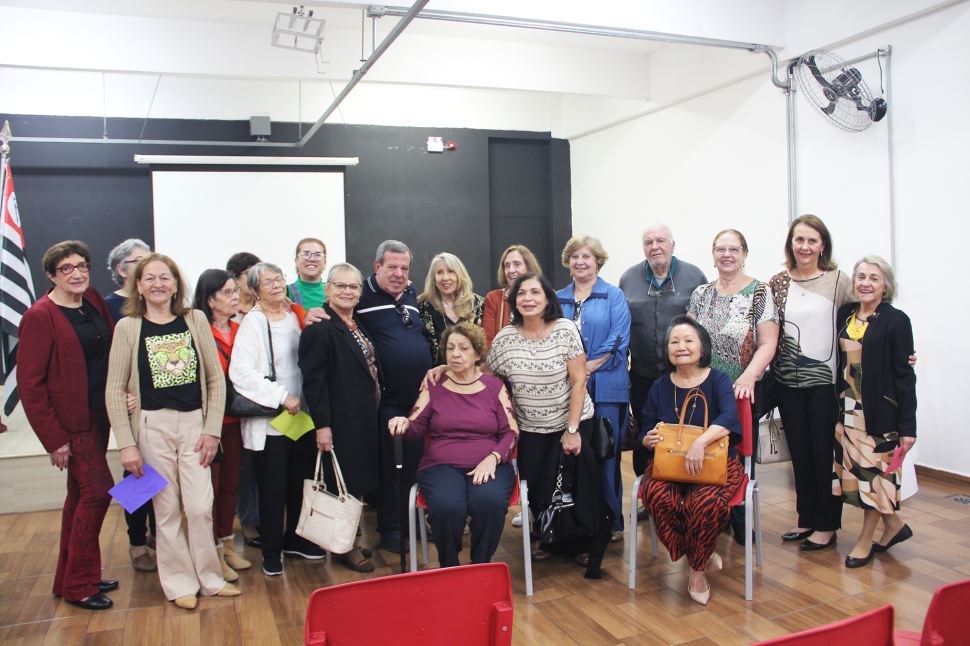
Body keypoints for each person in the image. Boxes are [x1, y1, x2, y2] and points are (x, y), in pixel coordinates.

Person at [105, 252, 239, 610]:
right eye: (149, 278)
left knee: (199, 507)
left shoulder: (194, 319)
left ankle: (210, 578)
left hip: (195, 424)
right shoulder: (128, 327)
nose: (158, 284)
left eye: (165, 277)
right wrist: (126, 444)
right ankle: (179, 582)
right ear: (138, 285)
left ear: (177, 284)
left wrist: (212, 431)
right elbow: (114, 389)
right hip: (152, 426)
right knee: (164, 511)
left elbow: (215, 379)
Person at [486, 273, 610, 578]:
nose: (528, 298)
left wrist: (571, 430)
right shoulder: (505, 338)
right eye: (521, 294)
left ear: (547, 298)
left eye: (535, 292)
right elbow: (486, 375)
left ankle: (583, 543)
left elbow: (579, 379)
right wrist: (445, 368)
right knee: (538, 486)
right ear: (514, 301)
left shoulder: (565, 330)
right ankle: (547, 536)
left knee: (579, 486)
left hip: (574, 421)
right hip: (530, 427)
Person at [18, 241, 116, 610]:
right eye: (66, 269)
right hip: (71, 424)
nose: (76, 273)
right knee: (98, 491)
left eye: (81, 265)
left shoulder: (90, 299)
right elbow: (31, 386)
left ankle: (73, 574)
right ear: (51, 275)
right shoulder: (40, 316)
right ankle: (79, 585)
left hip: (98, 415)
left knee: (78, 496)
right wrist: (54, 439)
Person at [389, 322, 517, 568]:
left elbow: (511, 432)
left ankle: (481, 565)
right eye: (450, 348)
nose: (455, 354)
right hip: (441, 464)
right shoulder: (433, 385)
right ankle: (449, 566)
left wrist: (492, 458)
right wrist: (403, 422)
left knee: (488, 502)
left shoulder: (494, 387)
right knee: (447, 506)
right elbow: (415, 429)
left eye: (463, 348)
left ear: (477, 354)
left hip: (489, 462)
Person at [639, 315, 743, 606]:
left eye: (688, 340)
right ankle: (701, 553)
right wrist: (649, 439)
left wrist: (700, 442)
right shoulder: (660, 385)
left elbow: (729, 418)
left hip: (715, 463)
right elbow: (645, 429)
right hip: (670, 465)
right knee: (657, 497)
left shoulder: (718, 378)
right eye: (674, 341)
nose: (681, 346)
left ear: (702, 346)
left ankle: (696, 572)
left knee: (704, 503)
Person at [688, 229, 778, 543]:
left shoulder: (760, 292)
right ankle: (710, 515)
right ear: (713, 254)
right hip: (704, 388)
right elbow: (690, 338)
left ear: (744, 253)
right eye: (721, 249)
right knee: (705, 453)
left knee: (738, 457)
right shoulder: (701, 294)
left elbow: (768, 343)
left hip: (742, 390)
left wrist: (748, 376)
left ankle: (740, 521)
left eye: (734, 249)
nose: (727, 255)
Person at [769, 215, 852, 551]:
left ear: (823, 245)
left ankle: (827, 525)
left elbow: (865, 321)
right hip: (787, 382)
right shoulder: (777, 282)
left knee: (823, 454)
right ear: (791, 243)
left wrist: (898, 352)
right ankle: (806, 518)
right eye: (799, 240)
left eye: (812, 241)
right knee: (800, 453)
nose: (804, 247)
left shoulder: (838, 281)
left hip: (826, 384)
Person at [229, 262, 316, 576]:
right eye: (268, 281)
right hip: (272, 420)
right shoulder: (253, 322)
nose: (277, 284)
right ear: (254, 290)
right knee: (272, 488)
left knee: (298, 483)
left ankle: (295, 539)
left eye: (279, 278)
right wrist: (281, 396)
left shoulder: (296, 315)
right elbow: (241, 373)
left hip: (301, 417)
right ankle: (271, 551)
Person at [834, 256, 917, 568]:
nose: (865, 283)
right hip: (846, 409)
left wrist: (908, 427)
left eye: (874, 278)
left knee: (875, 478)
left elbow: (904, 375)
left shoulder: (896, 321)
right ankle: (893, 526)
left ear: (886, 286)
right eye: (861, 277)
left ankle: (865, 539)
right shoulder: (846, 314)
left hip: (879, 414)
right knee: (861, 477)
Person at [299, 263, 381, 573]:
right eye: (341, 286)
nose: (348, 291)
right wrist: (323, 425)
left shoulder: (355, 323)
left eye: (354, 287)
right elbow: (314, 382)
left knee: (355, 483)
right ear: (327, 289)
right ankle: (342, 546)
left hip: (363, 419)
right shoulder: (320, 329)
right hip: (339, 422)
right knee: (340, 485)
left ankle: (350, 538)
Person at [355, 240, 434, 553]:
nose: (399, 274)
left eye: (405, 268)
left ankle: (413, 524)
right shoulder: (361, 294)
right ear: (377, 267)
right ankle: (390, 530)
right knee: (392, 469)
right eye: (392, 267)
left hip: (419, 400)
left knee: (416, 467)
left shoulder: (412, 295)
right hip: (387, 402)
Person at [556, 235, 631, 539]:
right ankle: (576, 522)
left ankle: (610, 520)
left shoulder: (613, 296)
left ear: (597, 260)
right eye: (574, 256)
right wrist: (573, 374)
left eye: (586, 256)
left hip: (607, 390)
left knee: (605, 456)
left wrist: (585, 368)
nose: (580, 262)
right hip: (566, 392)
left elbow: (618, 339)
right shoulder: (557, 298)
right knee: (572, 458)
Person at [619, 224, 706, 482]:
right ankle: (648, 491)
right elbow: (622, 328)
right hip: (643, 374)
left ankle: (685, 488)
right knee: (646, 434)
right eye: (648, 242)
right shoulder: (628, 278)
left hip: (684, 375)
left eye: (660, 241)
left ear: (672, 245)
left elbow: (702, 327)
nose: (654, 246)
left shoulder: (694, 276)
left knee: (682, 431)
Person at [192, 269, 252, 582]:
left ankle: (227, 543)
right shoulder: (197, 330)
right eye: (228, 293)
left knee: (230, 486)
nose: (234, 298)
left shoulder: (241, 329)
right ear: (210, 299)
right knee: (209, 490)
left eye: (235, 292)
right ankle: (210, 551)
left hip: (235, 420)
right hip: (207, 424)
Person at [104, 237, 158, 572]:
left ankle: (156, 533)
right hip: (129, 401)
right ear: (122, 270)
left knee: (161, 470)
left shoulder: (158, 305)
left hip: (159, 401)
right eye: (140, 261)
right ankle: (137, 540)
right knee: (137, 472)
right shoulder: (109, 306)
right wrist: (122, 391)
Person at [225, 251, 261, 547]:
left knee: (249, 462)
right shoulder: (227, 315)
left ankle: (252, 519)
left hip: (257, 402)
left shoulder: (268, 309)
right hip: (225, 405)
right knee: (139, 472)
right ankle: (139, 535)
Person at [418, 252, 485, 363]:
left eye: (451, 271)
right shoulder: (422, 307)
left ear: (460, 275)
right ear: (433, 278)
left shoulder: (479, 304)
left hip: (471, 375)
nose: (445, 278)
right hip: (437, 377)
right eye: (439, 272)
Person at [482, 245, 542, 345]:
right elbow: (488, 342)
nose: (511, 270)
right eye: (507, 266)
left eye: (517, 264)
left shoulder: (546, 295)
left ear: (529, 267)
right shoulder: (494, 298)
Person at [287, 237, 327, 309]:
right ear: (296, 261)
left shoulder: (334, 291)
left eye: (318, 255)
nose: (311, 259)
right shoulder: (286, 292)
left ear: (325, 262)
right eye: (306, 254)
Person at [226, 252, 261, 318]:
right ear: (235, 279)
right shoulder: (227, 310)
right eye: (250, 273)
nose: (256, 278)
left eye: (258, 273)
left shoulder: (266, 305)